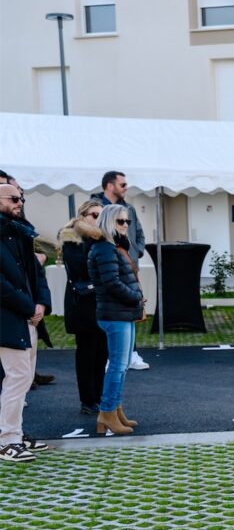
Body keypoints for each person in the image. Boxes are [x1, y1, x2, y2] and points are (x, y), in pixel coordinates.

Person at [0, 184, 52, 461]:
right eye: (14, 198)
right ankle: (7, 440)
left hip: (29, 316)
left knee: (23, 377)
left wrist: (41, 305)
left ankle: (15, 434)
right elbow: (2, 286)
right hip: (9, 318)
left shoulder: (20, 232)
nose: (20, 202)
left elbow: (37, 274)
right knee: (16, 377)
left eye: (21, 198)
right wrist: (28, 307)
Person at [88, 204, 144, 436]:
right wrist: (135, 298)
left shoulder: (114, 247)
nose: (125, 225)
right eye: (120, 221)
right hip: (115, 314)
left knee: (121, 368)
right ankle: (107, 412)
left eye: (127, 221)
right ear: (108, 222)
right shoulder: (104, 249)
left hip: (121, 312)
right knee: (117, 366)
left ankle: (115, 409)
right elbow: (111, 283)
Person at [93, 170, 149, 371]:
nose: (126, 188)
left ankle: (131, 353)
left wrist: (135, 252)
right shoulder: (96, 208)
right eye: (122, 184)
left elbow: (140, 234)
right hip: (110, 265)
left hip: (129, 264)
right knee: (115, 309)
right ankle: (112, 356)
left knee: (130, 312)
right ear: (110, 185)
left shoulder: (129, 209)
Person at [58, 200, 108, 414]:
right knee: (87, 353)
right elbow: (83, 269)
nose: (98, 219)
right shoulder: (71, 237)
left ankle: (99, 397)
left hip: (101, 303)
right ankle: (88, 400)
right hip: (82, 304)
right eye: (94, 215)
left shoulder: (103, 238)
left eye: (101, 215)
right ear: (83, 216)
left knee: (102, 353)